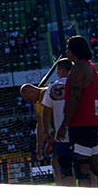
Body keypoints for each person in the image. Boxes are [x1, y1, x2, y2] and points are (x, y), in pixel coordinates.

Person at [56, 36, 98, 188]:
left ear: (75, 50)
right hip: (90, 121)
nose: (66, 52)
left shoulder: (78, 68)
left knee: (81, 165)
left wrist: (64, 124)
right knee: (95, 164)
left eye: (68, 48)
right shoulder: (89, 66)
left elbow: (76, 98)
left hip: (81, 123)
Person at [41, 58, 75, 186]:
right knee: (85, 165)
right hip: (81, 129)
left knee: (66, 168)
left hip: (62, 135)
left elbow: (46, 112)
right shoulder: (79, 84)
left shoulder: (52, 87)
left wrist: (46, 131)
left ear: (61, 70)